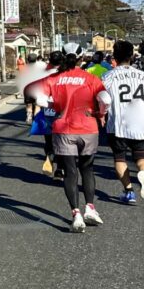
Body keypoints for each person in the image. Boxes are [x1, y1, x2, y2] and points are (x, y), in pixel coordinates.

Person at [35, 51, 111, 232]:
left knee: (70, 172)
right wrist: (101, 112)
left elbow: (39, 99)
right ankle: (90, 208)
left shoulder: (55, 78)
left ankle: (76, 214)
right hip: (88, 127)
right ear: (80, 60)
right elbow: (106, 99)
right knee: (87, 168)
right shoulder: (90, 77)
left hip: (63, 128)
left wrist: (54, 105)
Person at [101, 40, 144, 203]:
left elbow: (102, 101)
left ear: (114, 57)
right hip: (142, 121)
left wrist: (101, 115)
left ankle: (129, 191)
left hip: (118, 123)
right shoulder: (143, 76)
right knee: (141, 158)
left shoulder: (107, 76)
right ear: (132, 56)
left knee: (119, 158)